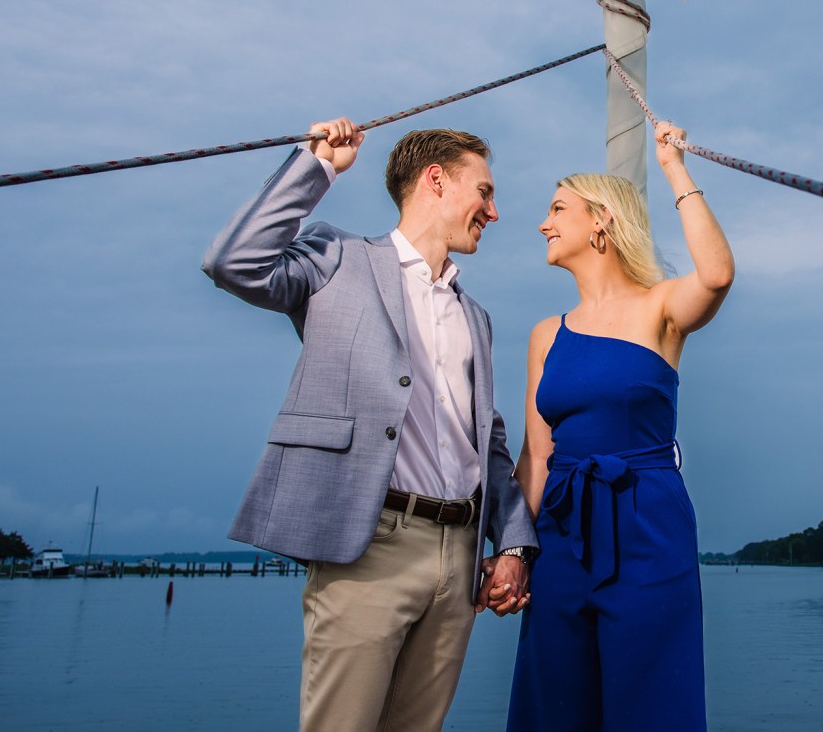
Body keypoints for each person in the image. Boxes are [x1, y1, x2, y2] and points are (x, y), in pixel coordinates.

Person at [202, 117, 537, 732]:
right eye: (484, 192)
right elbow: (233, 262)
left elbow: (488, 443)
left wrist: (512, 545)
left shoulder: (478, 318)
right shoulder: (337, 259)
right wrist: (317, 166)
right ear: (436, 180)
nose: (494, 210)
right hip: (368, 544)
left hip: (458, 558)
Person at [506, 121, 734, 731]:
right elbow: (536, 453)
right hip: (561, 528)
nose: (543, 223)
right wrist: (512, 549)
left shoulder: (661, 307)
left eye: (558, 208)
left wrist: (675, 168)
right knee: (554, 697)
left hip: (648, 522)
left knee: (653, 697)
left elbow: (716, 275)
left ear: (602, 220)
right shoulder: (545, 334)